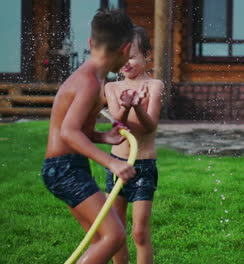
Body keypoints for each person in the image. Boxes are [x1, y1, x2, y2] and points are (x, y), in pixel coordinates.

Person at [41, 9, 136, 264]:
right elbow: (68, 132)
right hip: (64, 169)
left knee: (99, 239)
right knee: (113, 236)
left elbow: (76, 129)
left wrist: (104, 137)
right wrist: (112, 162)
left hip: (67, 167)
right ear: (126, 49)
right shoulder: (89, 82)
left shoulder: (94, 79)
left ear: (91, 43)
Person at [104, 25, 164, 264]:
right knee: (116, 232)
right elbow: (117, 120)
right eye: (120, 57)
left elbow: (149, 126)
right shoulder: (112, 87)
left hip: (143, 165)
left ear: (146, 55)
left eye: (131, 56)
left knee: (139, 233)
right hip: (116, 164)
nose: (125, 63)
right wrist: (127, 104)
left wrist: (137, 105)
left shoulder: (154, 86)